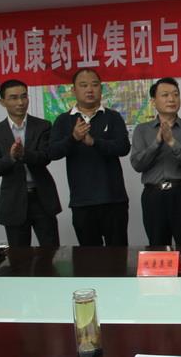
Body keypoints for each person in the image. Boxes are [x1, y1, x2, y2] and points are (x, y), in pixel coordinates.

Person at [49, 69, 130, 246]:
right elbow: (52, 152)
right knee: (89, 257)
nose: (90, 90)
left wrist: (94, 142)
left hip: (113, 199)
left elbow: (123, 148)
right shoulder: (63, 120)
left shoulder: (113, 117)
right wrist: (73, 138)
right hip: (82, 201)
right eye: (83, 85)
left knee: (118, 255)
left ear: (101, 89)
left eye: (94, 85)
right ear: (74, 90)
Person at [130, 77, 181, 246]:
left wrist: (172, 142)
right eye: (165, 95)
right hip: (153, 195)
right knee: (157, 247)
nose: (172, 99)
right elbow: (137, 164)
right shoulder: (142, 130)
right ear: (153, 101)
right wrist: (156, 143)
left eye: (176, 94)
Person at [0, 80, 61, 247]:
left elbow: (46, 156)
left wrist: (24, 154)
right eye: (13, 98)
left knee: (51, 253)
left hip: (42, 199)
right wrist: (11, 157)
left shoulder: (43, 126)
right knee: (18, 257)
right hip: (13, 201)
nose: (20, 102)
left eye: (24, 96)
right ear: (2, 102)